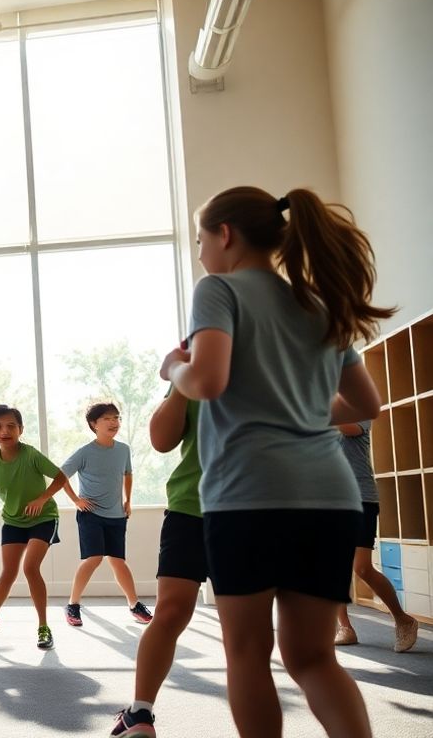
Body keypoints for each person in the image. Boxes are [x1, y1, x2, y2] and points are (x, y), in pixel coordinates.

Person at [160, 186, 388, 738]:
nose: (198, 253)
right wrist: (300, 408)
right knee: (313, 659)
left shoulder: (217, 289)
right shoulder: (316, 301)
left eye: (199, 240)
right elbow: (366, 405)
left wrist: (172, 369)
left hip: (248, 498)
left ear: (226, 235)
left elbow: (208, 380)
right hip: (331, 500)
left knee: (247, 654)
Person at [109, 389, 204, 736]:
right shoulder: (201, 355)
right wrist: (182, 380)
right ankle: (140, 713)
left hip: (250, 513)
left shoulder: (281, 355)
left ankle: (138, 714)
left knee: (246, 633)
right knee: (170, 612)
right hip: (192, 507)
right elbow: (162, 439)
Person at [0, 405, 79, 651]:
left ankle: (43, 627)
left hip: (44, 518)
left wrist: (41, 499)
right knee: (8, 572)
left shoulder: (31, 455)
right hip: (13, 520)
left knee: (30, 568)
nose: (4, 431)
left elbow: (61, 476)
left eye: (10, 426)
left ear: (20, 429)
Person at [62, 402, 153, 627]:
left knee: (118, 561)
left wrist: (128, 500)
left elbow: (128, 474)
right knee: (94, 558)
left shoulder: (123, 449)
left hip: (116, 515)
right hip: (90, 514)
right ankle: (73, 605)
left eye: (116, 418)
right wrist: (75, 500)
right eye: (107, 419)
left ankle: (134, 604)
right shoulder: (85, 452)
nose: (114, 422)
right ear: (94, 424)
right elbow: (61, 474)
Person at [334, 419, 418, 651]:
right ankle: (345, 627)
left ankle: (404, 620)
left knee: (361, 568)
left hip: (361, 498)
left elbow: (347, 427)